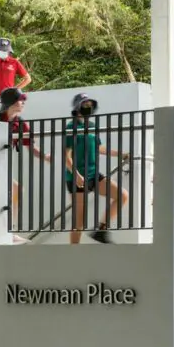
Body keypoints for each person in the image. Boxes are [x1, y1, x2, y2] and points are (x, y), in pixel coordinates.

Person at [0, 87, 50, 242]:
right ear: (10, 102)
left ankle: (8, 230)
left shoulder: (20, 124)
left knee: (16, 190)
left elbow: (30, 146)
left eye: (23, 100)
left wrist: (45, 157)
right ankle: (5, 230)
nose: (23, 103)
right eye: (20, 100)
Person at [65, 93, 128, 245]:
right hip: (76, 177)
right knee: (79, 221)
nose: (88, 107)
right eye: (85, 105)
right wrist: (77, 175)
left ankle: (101, 231)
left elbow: (99, 148)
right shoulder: (71, 126)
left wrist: (121, 154)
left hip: (93, 174)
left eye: (90, 105)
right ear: (77, 106)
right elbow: (66, 155)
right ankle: (73, 254)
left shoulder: (92, 126)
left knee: (122, 195)